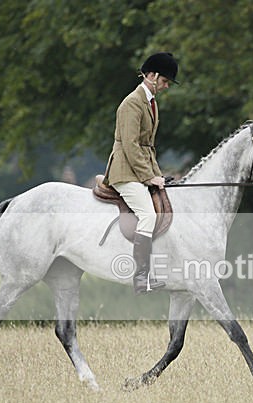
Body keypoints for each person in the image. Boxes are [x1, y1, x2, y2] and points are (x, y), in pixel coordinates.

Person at [104, 52, 179, 294]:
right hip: (125, 171)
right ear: (152, 75)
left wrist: (158, 176)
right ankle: (141, 277)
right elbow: (131, 144)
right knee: (148, 214)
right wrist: (149, 177)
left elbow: (148, 147)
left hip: (140, 168)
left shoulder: (149, 103)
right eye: (165, 81)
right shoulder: (132, 103)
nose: (166, 86)